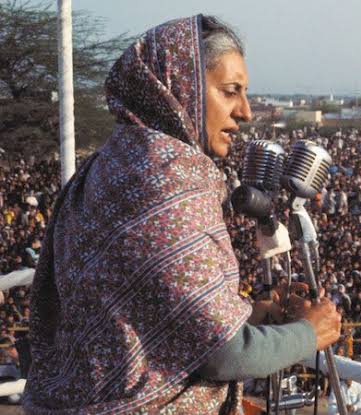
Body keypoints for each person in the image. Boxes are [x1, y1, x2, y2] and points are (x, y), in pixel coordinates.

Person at [24, 15, 341, 414]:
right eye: (230, 92)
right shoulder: (169, 180)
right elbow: (225, 355)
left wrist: (244, 315)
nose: (245, 112)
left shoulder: (108, 165)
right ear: (181, 88)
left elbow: (132, 314)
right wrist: (308, 333)